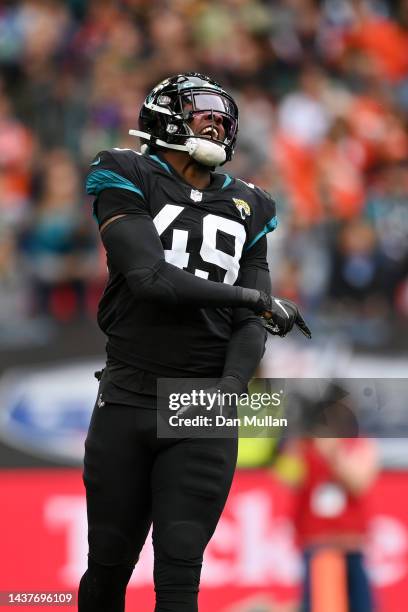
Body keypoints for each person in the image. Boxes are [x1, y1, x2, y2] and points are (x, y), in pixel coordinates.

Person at [78, 72, 311, 612]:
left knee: (180, 571)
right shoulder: (125, 170)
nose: (217, 122)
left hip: (200, 398)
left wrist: (230, 389)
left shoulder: (251, 203)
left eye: (222, 115)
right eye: (201, 111)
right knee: (109, 567)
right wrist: (253, 300)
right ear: (164, 117)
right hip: (129, 391)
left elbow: (251, 326)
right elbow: (150, 279)